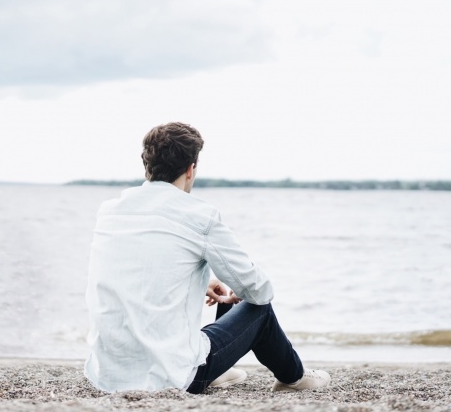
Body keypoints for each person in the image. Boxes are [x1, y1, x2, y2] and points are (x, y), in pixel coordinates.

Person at [84, 122, 330, 394]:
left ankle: (219, 369)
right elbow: (259, 290)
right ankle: (293, 378)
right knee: (260, 311)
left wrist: (200, 282)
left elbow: (133, 274)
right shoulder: (199, 216)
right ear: (191, 169)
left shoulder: (110, 211)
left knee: (229, 294)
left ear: (147, 166)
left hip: (107, 374)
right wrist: (240, 289)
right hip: (173, 377)